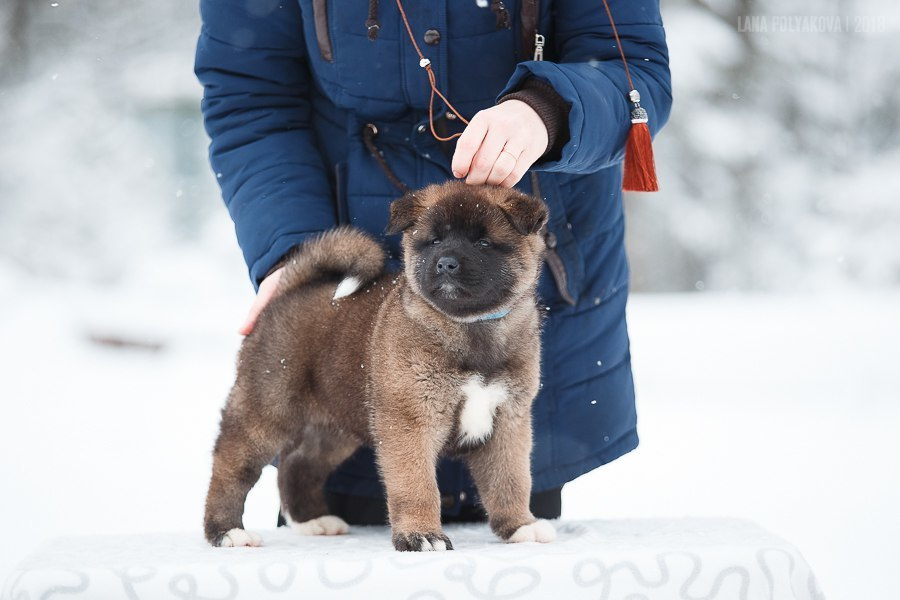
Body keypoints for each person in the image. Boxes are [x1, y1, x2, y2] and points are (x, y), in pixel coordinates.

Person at [194, 0, 671, 524]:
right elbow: (250, 98)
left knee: (518, 561)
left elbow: (631, 65)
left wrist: (549, 107)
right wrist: (293, 249)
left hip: (553, 278)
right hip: (352, 295)